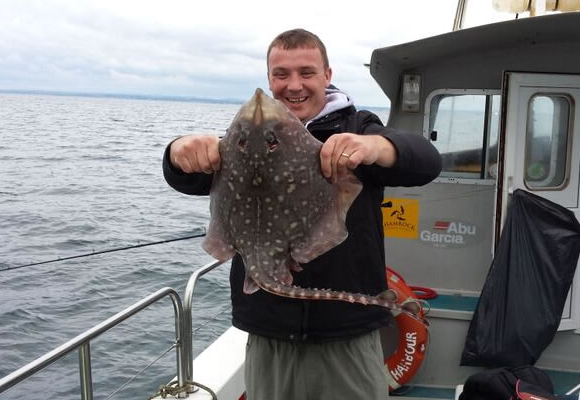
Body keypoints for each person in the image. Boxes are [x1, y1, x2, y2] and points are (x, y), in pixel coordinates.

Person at [163, 29, 441, 400]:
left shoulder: (356, 128)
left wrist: (374, 146)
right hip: (269, 335)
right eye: (281, 74)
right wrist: (178, 151)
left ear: (327, 75)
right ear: (269, 79)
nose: (294, 85)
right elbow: (183, 177)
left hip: (348, 339)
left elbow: (426, 161)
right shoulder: (242, 144)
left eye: (306, 73)